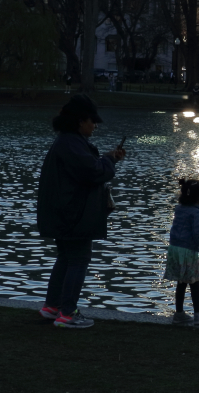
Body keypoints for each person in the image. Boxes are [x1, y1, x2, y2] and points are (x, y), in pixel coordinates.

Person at [37, 95, 126, 328]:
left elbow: (88, 166)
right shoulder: (72, 144)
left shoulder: (67, 141)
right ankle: (68, 313)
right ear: (80, 121)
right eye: (92, 121)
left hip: (63, 213)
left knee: (66, 258)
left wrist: (108, 158)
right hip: (74, 214)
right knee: (79, 259)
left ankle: (52, 307)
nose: (95, 125)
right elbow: (94, 172)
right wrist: (107, 163)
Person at [165, 178, 199, 325]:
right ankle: (197, 315)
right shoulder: (197, 214)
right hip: (188, 251)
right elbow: (198, 236)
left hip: (175, 249)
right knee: (194, 283)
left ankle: (179, 313)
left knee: (181, 283)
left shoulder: (179, 210)